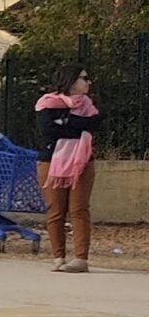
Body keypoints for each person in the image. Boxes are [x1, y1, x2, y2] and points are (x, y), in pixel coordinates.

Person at [36, 65, 100, 274]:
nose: (88, 82)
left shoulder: (88, 104)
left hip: (82, 161)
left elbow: (94, 123)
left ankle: (81, 259)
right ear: (71, 80)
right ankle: (58, 256)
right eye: (84, 78)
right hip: (51, 162)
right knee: (55, 210)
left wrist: (66, 121)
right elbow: (48, 129)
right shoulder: (47, 103)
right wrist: (78, 125)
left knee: (78, 209)